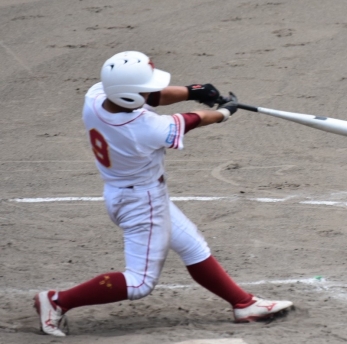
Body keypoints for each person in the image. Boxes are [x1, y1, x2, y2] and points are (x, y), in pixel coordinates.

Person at [34, 51, 293, 337]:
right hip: (141, 203)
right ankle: (57, 301)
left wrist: (193, 91)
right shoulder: (143, 128)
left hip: (128, 194)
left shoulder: (96, 98)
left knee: (193, 246)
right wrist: (224, 113)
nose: (150, 92)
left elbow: (151, 97)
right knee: (139, 282)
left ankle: (244, 304)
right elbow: (193, 119)